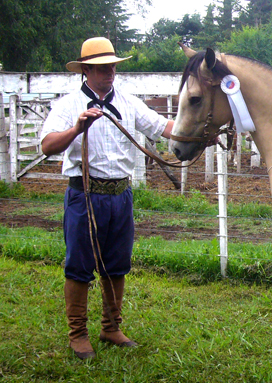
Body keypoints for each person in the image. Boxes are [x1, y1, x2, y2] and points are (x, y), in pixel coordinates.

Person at [41, 37, 174, 360]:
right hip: (85, 194)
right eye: (102, 68)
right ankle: (78, 333)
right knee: (80, 265)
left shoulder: (128, 103)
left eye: (113, 66)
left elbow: (161, 126)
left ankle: (111, 326)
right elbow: (47, 146)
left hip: (120, 195)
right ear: (86, 70)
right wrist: (76, 129)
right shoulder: (69, 105)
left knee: (117, 264)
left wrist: (197, 133)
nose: (110, 72)